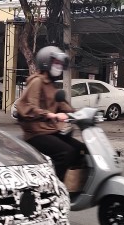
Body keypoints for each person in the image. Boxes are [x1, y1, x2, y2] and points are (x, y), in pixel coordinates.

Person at [15, 46, 85, 181]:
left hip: (50, 130)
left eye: (60, 64)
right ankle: (54, 185)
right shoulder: (37, 81)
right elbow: (30, 107)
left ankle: (73, 184)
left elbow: (62, 104)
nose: (59, 67)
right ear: (46, 62)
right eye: (56, 63)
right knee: (66, 152)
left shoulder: (51, 85)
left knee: (81, 149)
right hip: (36, 133)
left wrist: (80, 113)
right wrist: (52, 115)